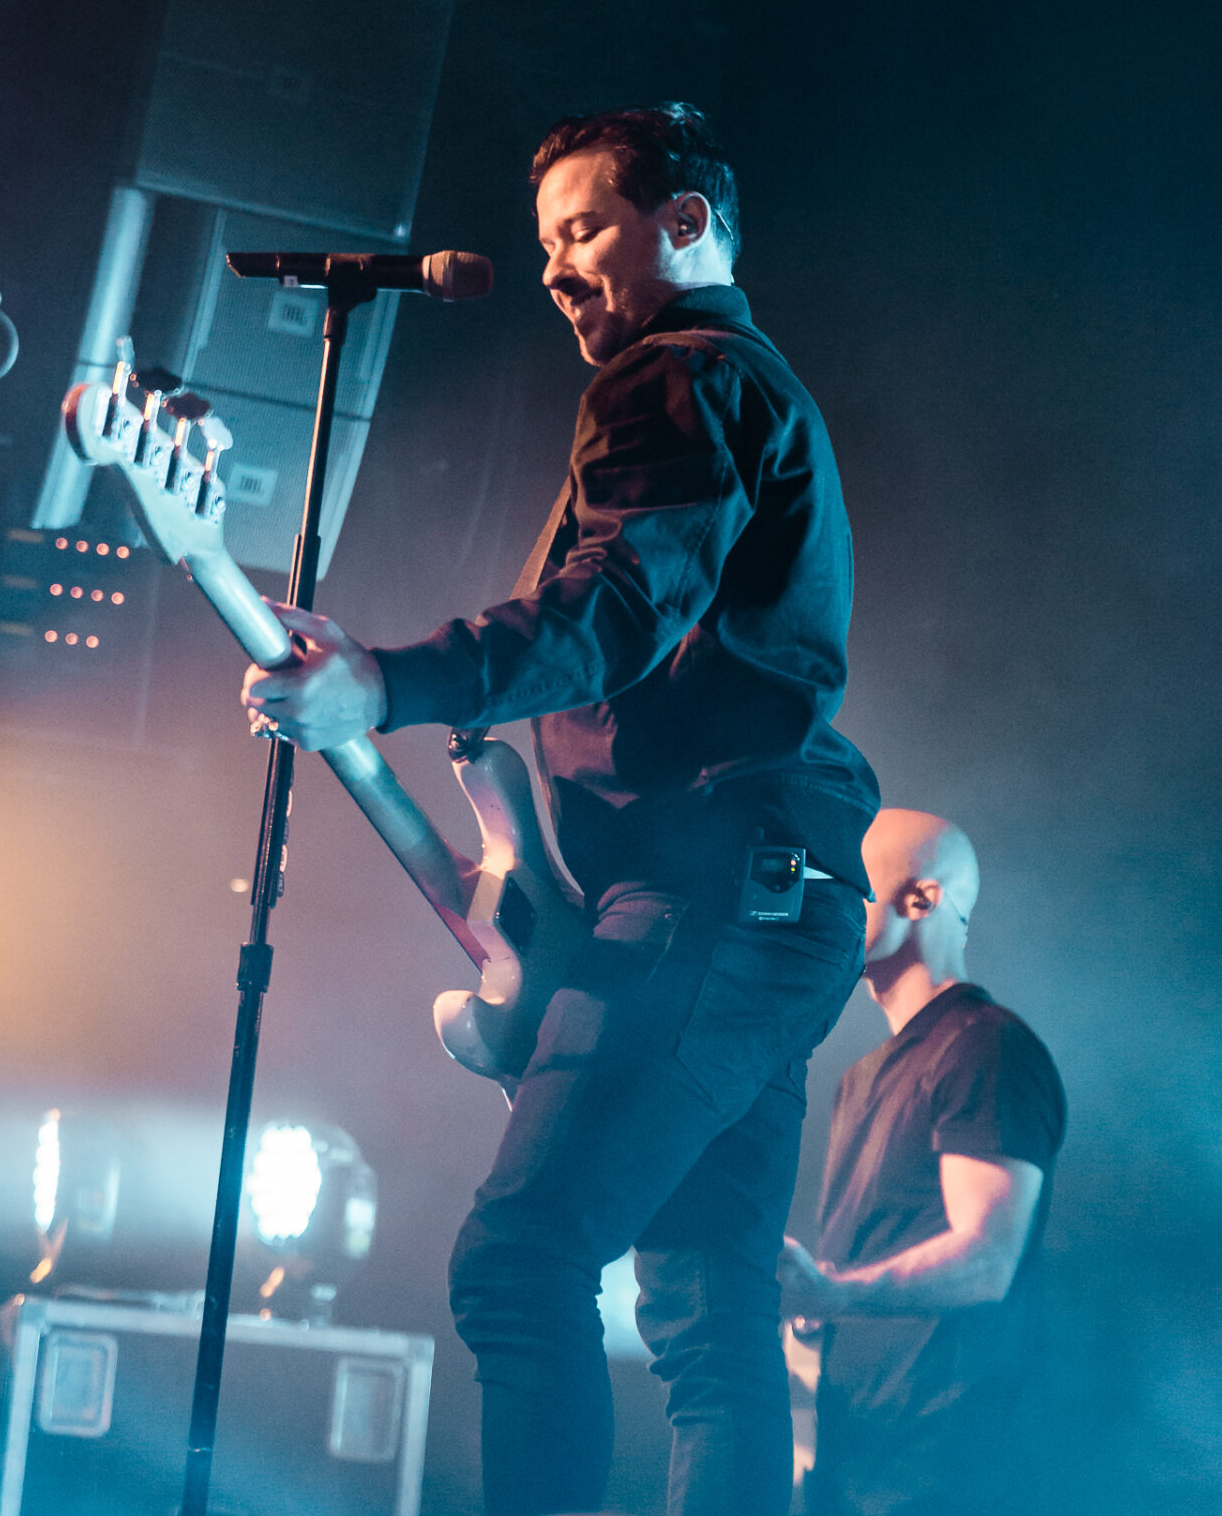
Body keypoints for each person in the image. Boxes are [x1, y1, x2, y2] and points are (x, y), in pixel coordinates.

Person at [241, 103, 879, 1516]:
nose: (551, 269)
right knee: (707, 1319)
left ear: (684, 223)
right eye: (544, 244)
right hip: (768, 901)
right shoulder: (738, 387)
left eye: (583, 230)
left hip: (713, 893)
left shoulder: (676, 377)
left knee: (520, 1262)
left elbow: (618, 608)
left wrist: (386, 684)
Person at [779, 808, 1067, 1516]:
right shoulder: (858, 1077)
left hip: (945, 1466)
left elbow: (986, 1259)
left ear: (920, 899)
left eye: (848, 884)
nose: (825, 903)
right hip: (856, 1454)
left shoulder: (985, 1047)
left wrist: (834, 1293)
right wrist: (813, 1307)